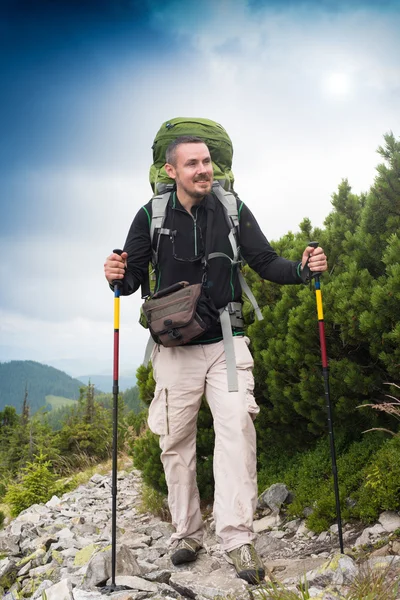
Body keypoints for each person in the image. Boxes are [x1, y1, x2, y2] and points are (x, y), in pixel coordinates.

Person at [104, 135, 328, 584]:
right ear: (171, 171)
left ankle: (238, 538)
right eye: (193, 164)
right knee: (175, 445)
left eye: (207, 162)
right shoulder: (152, 215)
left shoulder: (232, 209)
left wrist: (303, 269)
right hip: (173, 351)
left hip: (227, 343)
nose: (203, 170)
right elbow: (129, 280)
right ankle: (186, 533)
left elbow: (265, 262)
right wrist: (116, 273)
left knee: (237, 435)